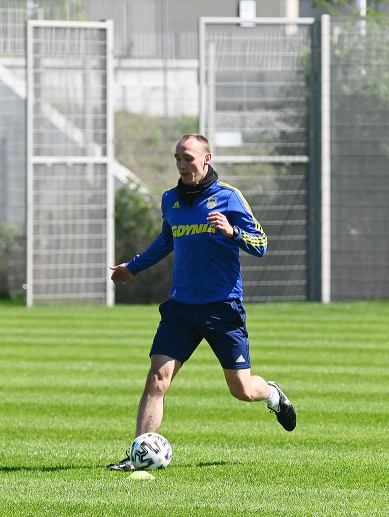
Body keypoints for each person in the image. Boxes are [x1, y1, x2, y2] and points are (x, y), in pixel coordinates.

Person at [107, 133, 296, 470]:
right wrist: (133, 268)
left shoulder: (229, 197)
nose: (181, 165)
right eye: (177, 158)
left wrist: (232, 233)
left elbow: (262, 243)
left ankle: (272, 394)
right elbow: (166, 241)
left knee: (241, 390)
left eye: (188, 158)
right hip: (181, 309)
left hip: (223, 308)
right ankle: (137, 456)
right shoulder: (171, 200)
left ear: (206, 159)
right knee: (156, 379)